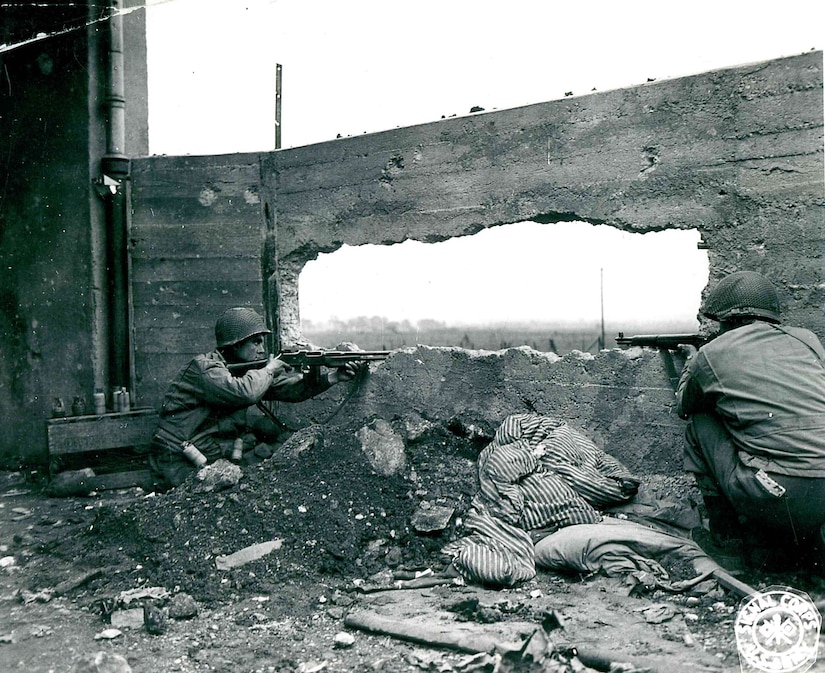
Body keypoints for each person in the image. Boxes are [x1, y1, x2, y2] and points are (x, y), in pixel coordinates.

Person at [675, 271, 825, 568]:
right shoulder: (808, 340)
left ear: (726, 320)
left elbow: (684, 405)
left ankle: (727, 542)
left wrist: (694, 362)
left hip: (778, 494)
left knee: (700, 421)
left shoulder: (711, 354)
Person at [149, 307, 364, 491]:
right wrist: (271, 368)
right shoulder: (205, 369)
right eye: (256, 342)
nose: (262, 349)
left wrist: (333, 377)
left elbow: (288, 391)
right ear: (235, 344)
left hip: (204, 454)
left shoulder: (246, 371)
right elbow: (245, 391)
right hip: (175, 458)